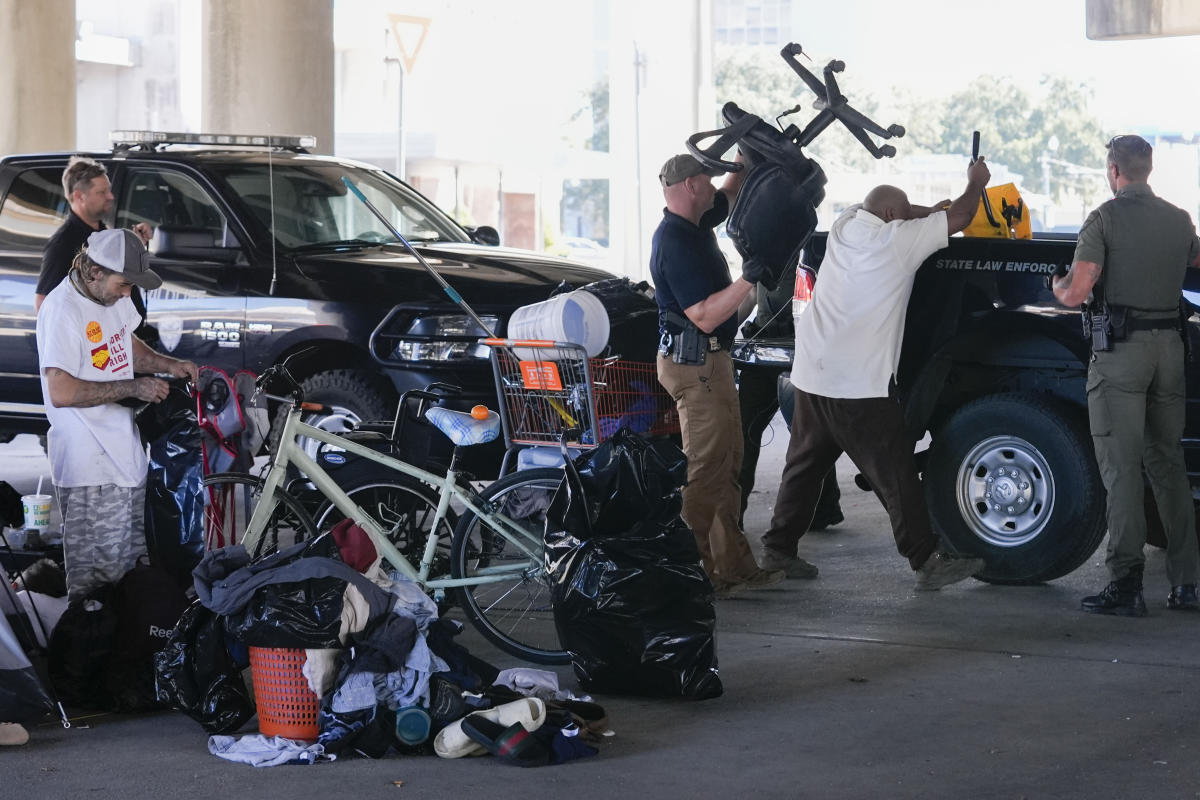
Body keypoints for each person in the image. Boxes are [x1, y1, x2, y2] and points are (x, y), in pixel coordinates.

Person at [761, 159, 990, 590]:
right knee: (896, 471)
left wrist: (922, 212)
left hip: (812, 372)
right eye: (903, 215)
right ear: (891, 219)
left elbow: (898, 211)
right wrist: (974, 183)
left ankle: (778, 548)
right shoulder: (897, 243)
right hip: (858, 384)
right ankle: (926, 560)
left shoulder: (847, 224)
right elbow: (960, 218)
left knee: (803, 465)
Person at [1052, 134, 1200, 616]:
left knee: (1122, 470)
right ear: (1148, 170)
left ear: (1114, 170)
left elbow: (1078, 292)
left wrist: (1056, 284)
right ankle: (1186, 586)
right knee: (1168, 465)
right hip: (1170, 350)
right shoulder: (1179, 220)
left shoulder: (1105, 218)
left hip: (1122, 355)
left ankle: (1126, 585)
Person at [36, 228, 198, 603]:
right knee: (97, 588)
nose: (128, 293)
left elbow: (125, 341)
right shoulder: (61, 310)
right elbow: (60, 391)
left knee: (130, 574)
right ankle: (95, 658)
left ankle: (127, 657)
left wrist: (165, 364)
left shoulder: (111, 299)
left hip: (124, 459)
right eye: (124, 284)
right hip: (89, 468)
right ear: (94, 271)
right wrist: (133, 387)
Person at [651, 152, 785, 597]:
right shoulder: (674, 242)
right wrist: (749, 278)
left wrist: (748, 156)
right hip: (695, 367)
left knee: (727, 465)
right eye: (705, 180)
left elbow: (729, 191)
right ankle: (689, 574)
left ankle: (733, 567)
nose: (713, 187)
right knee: (705, 470)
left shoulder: (695, 223)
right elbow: (705, 316)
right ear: (690, 186)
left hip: (712, 363)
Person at [737, 263, 842, 551]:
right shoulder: (759, 251)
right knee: (744, 432)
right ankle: (733, 518)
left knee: (810, 438)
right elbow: (749, 296)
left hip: (802, 350)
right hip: (762, 349)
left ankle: (823, 509)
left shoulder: (812, 254)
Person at [36, 156, 152, 314]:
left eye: (109, 190)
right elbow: (43, 304)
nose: (110, 196)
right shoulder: (63, 243)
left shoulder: (103, 232)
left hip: (127, 333)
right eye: (102, 192)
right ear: (78, 196)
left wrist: (136, 243)